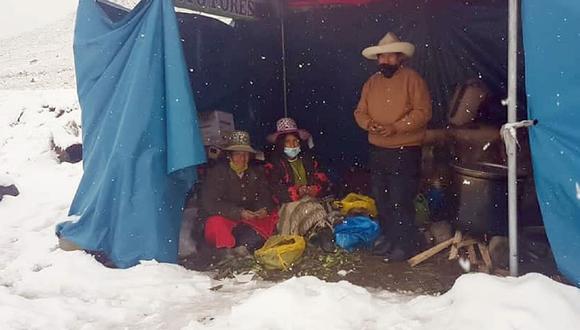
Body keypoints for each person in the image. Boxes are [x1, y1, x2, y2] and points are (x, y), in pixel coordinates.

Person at [354, 32, 432, 261]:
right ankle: (389, 237)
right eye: (381, 57)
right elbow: (360, 112)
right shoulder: (371, 83)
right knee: (382, 197)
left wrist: (396, 127)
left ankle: (405, 243)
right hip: (378, 150)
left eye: (389, 57)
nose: (384, 61)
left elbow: (423, 112)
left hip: (404, 150)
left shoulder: (413, 79)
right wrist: (370, 124)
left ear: (400, 57)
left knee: (400, 198)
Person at [200, 131, 277, 253]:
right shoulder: (217, 173)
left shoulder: (255, 172)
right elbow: (210, 203)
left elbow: (264, 195)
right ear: (229, 156)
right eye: (238, 154)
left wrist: (263, 209)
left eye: (245, 155)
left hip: (248, 220)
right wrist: (238, 212)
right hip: (226, 218)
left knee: (272, 218)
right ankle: (227, 251)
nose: (242, 159)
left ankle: (245, 245)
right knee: (216, 224)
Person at [265, 117, 334, 251]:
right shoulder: (274, 164)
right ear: (281, 144)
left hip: (310, 200)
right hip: (288, 205)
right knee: (310, 207)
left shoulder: (308, 159)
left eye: (295, 141)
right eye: (288, 142)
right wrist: (296, 192)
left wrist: (316, 189)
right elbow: (274, 190)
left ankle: (319, 234)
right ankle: (316, 233)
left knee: (313, 205)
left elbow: (323, 180)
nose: (293, 145)